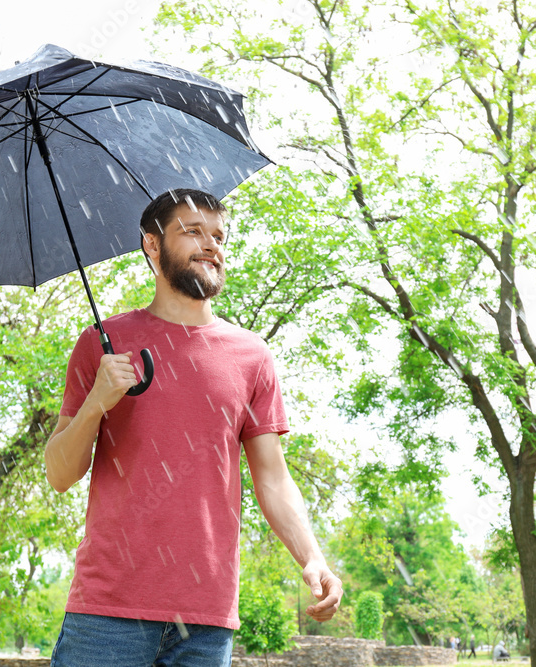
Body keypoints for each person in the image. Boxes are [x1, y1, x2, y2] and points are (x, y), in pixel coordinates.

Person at [44, 189, 344, 667]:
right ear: (151, 245)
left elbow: (272, 476)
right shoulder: (101, 345)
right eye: (192, 232)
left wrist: (312, 557)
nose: (212, 246)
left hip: (206, 621)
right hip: (108, 615)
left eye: (219, 236)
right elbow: (60, 474)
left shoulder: (252, 356)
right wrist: (96, 405)